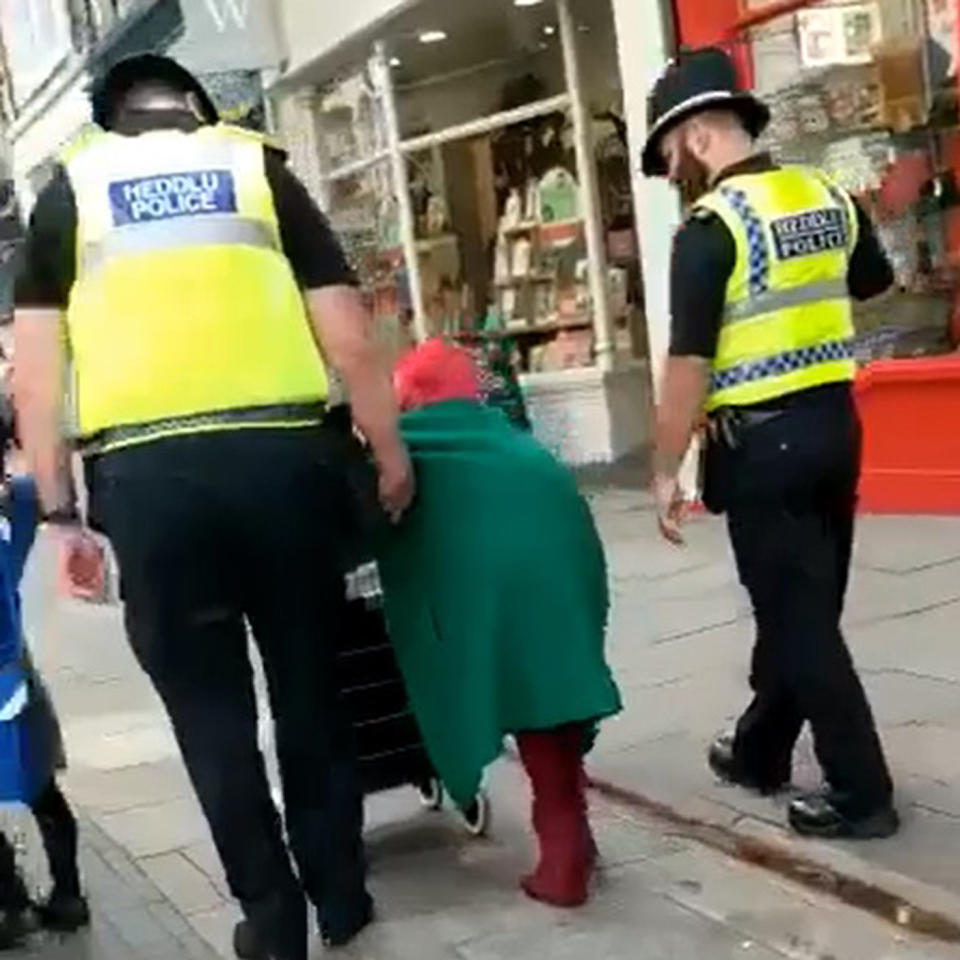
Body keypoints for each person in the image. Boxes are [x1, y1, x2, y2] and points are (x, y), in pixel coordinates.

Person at [13, 55, 413, 960]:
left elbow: (37, 379)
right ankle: (341, 898)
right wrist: (387, 448)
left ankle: (271, 923)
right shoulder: (257, 165)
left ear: (111, 118)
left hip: (150, 489)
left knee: (209, 713)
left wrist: (62, 516)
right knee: (312, 688)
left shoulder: (69, 189)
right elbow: (346, 330)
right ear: (197, 106)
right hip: (287, 465)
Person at [642, 47, 898, 839]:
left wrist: (664, 466)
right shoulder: (825, 193)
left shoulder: (711, 229)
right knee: (803, 603)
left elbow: (689, 363)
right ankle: (760, 749)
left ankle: (862, 793)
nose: (673, 170)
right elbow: (871, 282)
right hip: (835, 427)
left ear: (693, 135)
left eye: (669, 152)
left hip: (762, 446)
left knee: (799, 619)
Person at [378, 338, 622, 907]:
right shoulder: (515, 443)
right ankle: (574, 839)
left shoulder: (411, 450)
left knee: (527, 701)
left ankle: (563, 863)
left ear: (412, 396)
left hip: (500, 596)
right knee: (554, 704)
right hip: (568, 578)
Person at [0, 467, 87, 949]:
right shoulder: (15, 506)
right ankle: (64, 895)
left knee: (38, 788)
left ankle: (13, 906)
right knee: (40, 787)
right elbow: (35, 491)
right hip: (16, 679)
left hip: (7, 677)